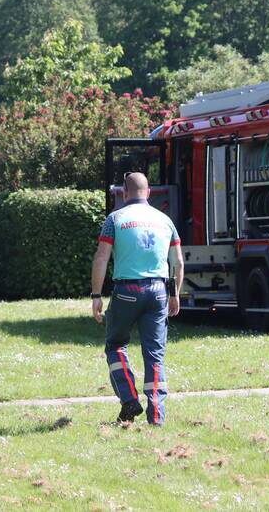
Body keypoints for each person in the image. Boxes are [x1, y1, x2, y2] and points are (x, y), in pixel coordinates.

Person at [91, 173, 184, 425]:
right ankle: (156, 417)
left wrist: (97, 295)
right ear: (149, 193)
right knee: (154, 355)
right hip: (158, 292)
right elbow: (177, 261)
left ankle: (129, 399)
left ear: (123, 192)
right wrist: (174, 293)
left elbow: (101, 257)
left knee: (115, 345)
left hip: (126, 292)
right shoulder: (165, 220)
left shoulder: (115, 219)